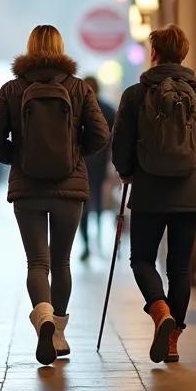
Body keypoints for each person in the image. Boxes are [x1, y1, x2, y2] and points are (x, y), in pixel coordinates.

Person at [0, 25, 109, 365]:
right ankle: (58, 332)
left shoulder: (12, 89)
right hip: (69, 188)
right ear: (61, 49)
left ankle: (43, 319)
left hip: (27, 190)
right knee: (61, 262)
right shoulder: (79, 87)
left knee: (37, 263)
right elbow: (101, 134)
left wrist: (20, 158)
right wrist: (74, 153)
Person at [111, 24, 196, 365]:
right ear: (184, 54)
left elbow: (119, 145)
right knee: (180, 269)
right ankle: (174, 338)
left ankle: (159, 309)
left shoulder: (136, 94)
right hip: (189, 194)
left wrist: (128, 171)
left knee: (142, 259)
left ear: (155, 53)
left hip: (148, 192)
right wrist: (193, 162)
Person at [80, 76, 117, 261]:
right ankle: (98, 240)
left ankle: (87, 244)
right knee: (100, 203)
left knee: (83, 205)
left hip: (82, 165)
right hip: (100, 164)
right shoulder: (108, 110)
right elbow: (116, 139)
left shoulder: (77, 108)